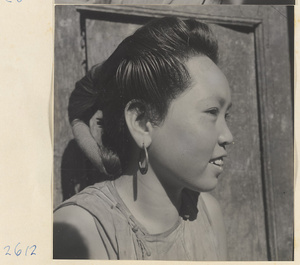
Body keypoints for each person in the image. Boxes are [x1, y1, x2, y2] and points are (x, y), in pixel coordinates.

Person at [53, 16, 233, 260]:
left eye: (226, 115)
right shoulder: (80, 230)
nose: (228, 136)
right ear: (142, 123)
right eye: (212, 112)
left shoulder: (209, 215)